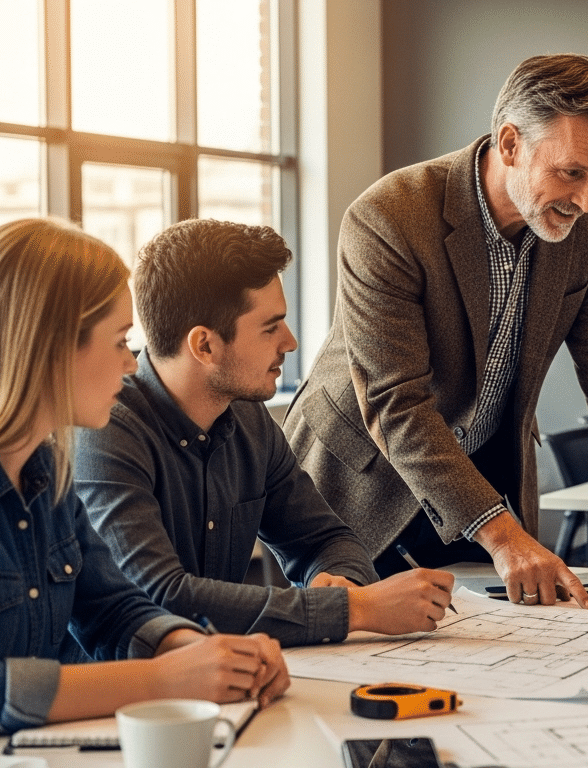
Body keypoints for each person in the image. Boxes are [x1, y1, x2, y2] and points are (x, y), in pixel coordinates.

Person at [283, 54, 588, 608]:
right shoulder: (388, 216)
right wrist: (503, 538)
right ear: (510, 144)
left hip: (482, 476)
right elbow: (395, 401)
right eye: (571, 172)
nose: (587, 200)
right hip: (364, 480)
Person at [0, 219, 289, 746]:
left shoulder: (45, 469)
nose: (130, 365)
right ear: (49, 347)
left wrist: (206, 655)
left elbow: (112, 609)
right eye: (121, 341)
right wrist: (159, 680)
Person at [74, 220, 454, 648]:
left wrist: (338, 580)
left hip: (222, 670)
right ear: (204, 346)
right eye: (271, 327)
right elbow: (160, 597)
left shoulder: (248, 417)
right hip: (127, 685)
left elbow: (323, 539)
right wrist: (354, 609)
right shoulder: (103, 430)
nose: (290, 342)